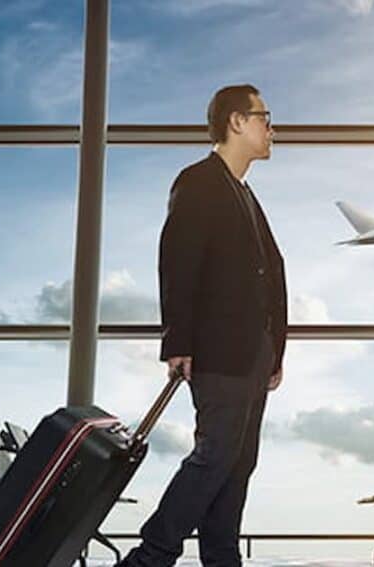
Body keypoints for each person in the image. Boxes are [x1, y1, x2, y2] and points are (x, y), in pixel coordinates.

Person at [117, 84, 287, 566]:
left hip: (253, 354)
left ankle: (220, 558)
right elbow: (179, 263)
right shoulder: (199, 181)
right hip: (220, 348)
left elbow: (267, 274)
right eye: (265, 117)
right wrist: (180, 340)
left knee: (238, 465)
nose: (272, 129)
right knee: (215, 456)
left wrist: (275, 352)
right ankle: (150, 557)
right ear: (236, 121)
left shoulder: (245, 194)